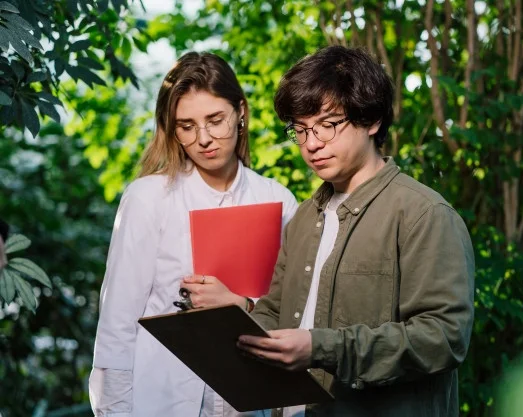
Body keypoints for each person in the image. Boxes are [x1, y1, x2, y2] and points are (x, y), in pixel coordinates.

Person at [235, 46, 475, 417]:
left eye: (327, 125)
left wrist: (321, 348)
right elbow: (278, 312)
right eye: (300, 130)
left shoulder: (423, 214)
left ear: (372, 119)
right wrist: (228, 328)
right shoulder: (302, 219)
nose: (312, 144)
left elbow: (443, 338)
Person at [89, 52, 298, 417]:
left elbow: (292, 321)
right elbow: (116, 327)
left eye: (215, 120)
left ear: (241, 111)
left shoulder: (278, 200)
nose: (204, 139)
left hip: (248, 404)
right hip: (162, 403)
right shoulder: (149, 198)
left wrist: (239, 305)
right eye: (186, 126)